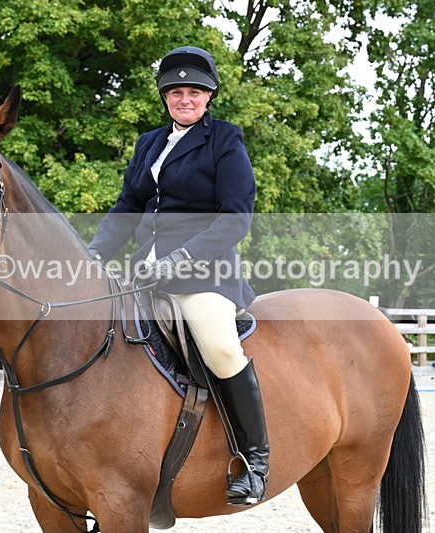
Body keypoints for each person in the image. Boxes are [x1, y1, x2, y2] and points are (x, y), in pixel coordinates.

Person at [87, 46, 268, 505]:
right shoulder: (149, 143)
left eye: (194, 92)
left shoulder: (224, 140)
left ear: (208, 97)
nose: (185, 99)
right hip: (143, 273)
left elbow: (236, 218)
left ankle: (254, 461)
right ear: (165, 97)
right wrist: (94, 253)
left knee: (220, 347)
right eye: (176, 92)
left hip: (202, 274)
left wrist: (180, 259)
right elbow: (128, 206)